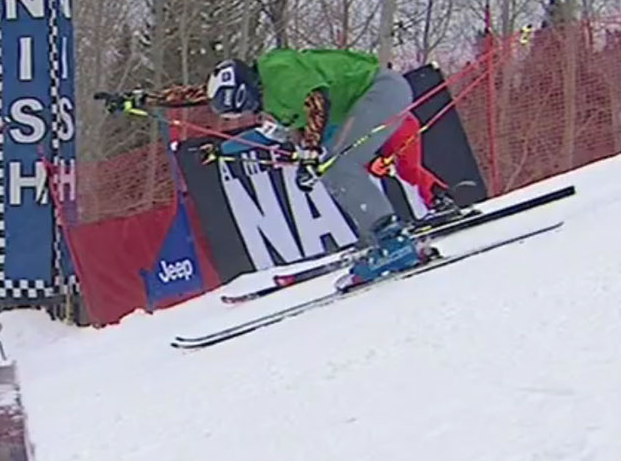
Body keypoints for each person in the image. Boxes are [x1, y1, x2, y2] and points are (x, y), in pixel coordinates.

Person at [130, 48, 458, 286]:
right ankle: (380, 237)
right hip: (365, 102)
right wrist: (143, 99)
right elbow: (199, 95)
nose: (246, 113)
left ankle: (393, 241)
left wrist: (313, 147)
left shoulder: (277, 73)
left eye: (242, 107)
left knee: (337, 164)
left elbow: (317, 99)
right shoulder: (269, 96)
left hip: (379, 90)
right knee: (331, 168)